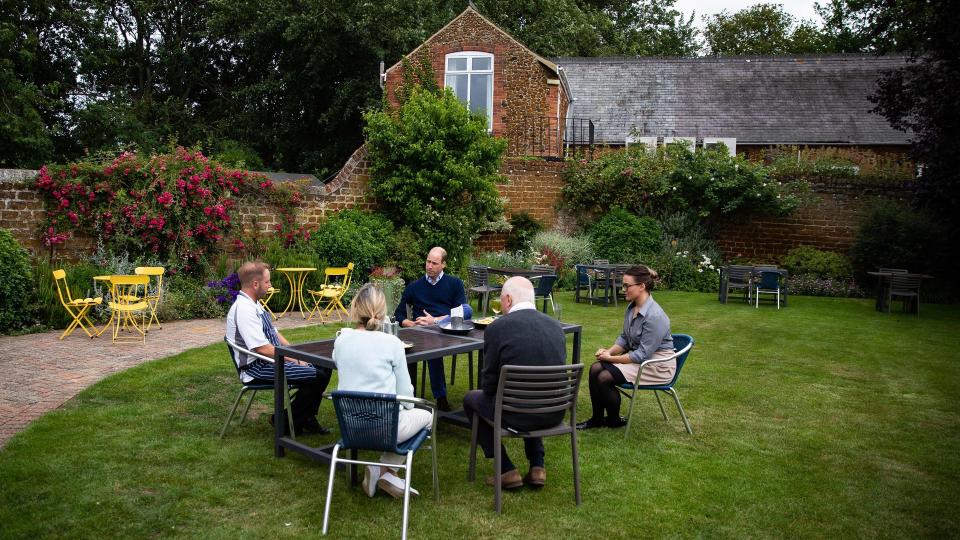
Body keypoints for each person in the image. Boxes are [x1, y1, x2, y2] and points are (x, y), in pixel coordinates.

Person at [463, 277, 566, 489]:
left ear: (508, 299)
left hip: (515, 414)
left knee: (471, 399)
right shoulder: (556, 326)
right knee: (532, 392)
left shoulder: (497, 328)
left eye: (501, 300)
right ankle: (538, 466)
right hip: (554, 412)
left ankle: (506, 469)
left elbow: (489, 385)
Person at [334, 283, 433, 499]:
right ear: (382, 312)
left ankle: (383, 471)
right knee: (428, 415)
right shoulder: (392, 343)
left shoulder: (341, 340)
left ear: (355, 308)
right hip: (385, 428)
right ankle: (386, 469)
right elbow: (406, 393)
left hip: (350, 427)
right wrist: (407, 408)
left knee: (402, 414)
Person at [225, 261, 332, 435]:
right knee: (317, 375)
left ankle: (303, 417)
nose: (270, 286)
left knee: (323, 366)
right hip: (257, 368)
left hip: (269, 361)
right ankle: (285, 421)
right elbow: (262, 349)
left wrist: (296, 352)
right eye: (267, 282)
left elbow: (273, 333)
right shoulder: (244, 310)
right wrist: (296, 359)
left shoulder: (254, 303)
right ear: (255, 284)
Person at [577, 265, 674, 430]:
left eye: (627, 286)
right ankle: (597, 418)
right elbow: (624, 339)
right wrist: (608, 352)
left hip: (656, 366)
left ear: (642, 286)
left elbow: (641, 355)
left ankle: (614, 420)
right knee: (595, 369)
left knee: (604, 377)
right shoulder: (632, 308)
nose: (623, 289)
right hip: (641, 360)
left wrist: (610, 358)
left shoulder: (655, 316)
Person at [394, 246, 467, 411]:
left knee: (432, 348)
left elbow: (463, 312)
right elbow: (398, 315)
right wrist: (411, 324)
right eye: (428, 261)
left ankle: (440, 397)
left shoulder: (454, 284)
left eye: (434, 263)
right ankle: (409, 397)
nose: (429, 266)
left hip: (446, 331)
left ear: (443, 265)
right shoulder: (415, 286)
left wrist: (435, 320)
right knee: (407, 351)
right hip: (418, 332)